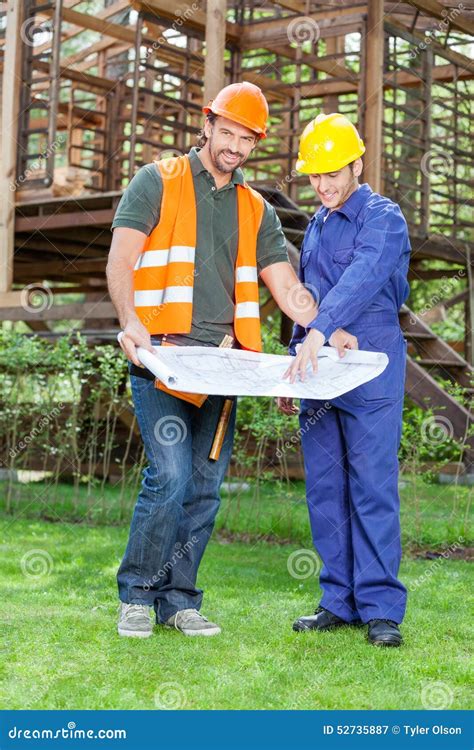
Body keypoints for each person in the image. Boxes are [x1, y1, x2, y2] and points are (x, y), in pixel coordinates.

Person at [106, 84, 357, 638]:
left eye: (247, 140)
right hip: (161, 357)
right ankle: (138, 595)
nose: (235, 147)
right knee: (169, 477)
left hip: (223, 365)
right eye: (229, 133)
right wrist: (130, 320)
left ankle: (180, 600)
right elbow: (121, 257)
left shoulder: (256, 208)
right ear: (208, 124)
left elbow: (286, 285)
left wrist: (327, 326)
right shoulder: (158, 180)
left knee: (204, 486)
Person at [278, 113, 411, 647]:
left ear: (357, 163)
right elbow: (307, 298)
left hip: (371, 360)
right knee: (325, 488)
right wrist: (297, 358)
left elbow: (363, 276)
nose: (323, 184)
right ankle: (338, 599)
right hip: (318, 362)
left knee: (372, 485)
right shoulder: (317, 223)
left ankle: (380, 606)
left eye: (332, 172)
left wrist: (326, 328)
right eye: (314, 176)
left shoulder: (384, 216)